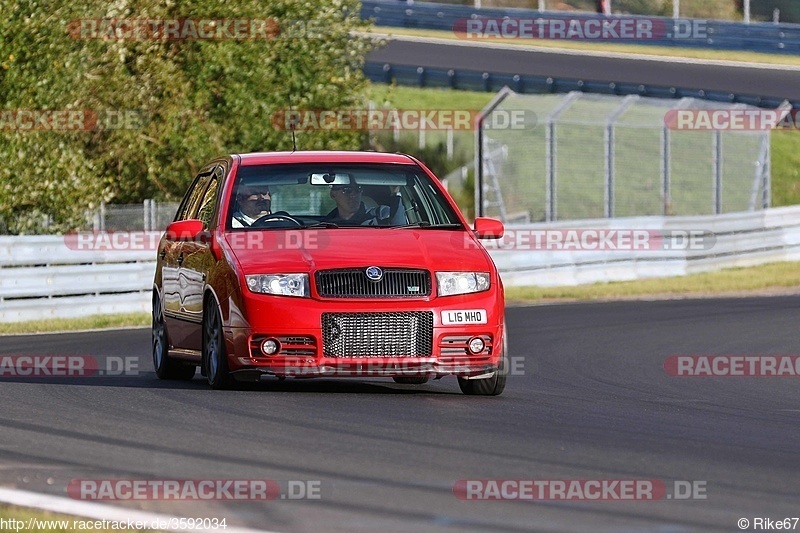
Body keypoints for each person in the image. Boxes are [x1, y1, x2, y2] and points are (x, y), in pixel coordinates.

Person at [324, 184, 406, 226]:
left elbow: (402, 234)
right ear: (333, 195)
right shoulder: (324, 224)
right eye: (347, 190)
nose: (353, 195)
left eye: (358, 189)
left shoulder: (380, 215)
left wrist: (395, 193)